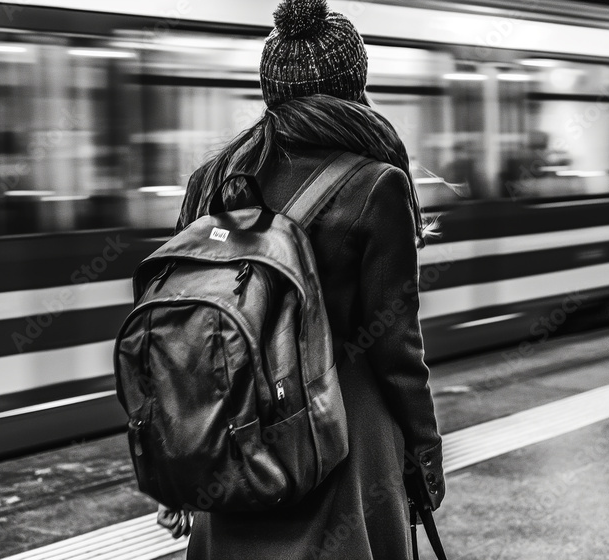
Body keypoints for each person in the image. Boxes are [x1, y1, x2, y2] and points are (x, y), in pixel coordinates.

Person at [167, 0, 445, 557]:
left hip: (240, 435)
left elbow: (187, 326)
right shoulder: (377, 184)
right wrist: (425, 454)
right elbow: (395, 347)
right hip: (343, 434)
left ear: (270, 89)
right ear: (355, 83)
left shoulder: (213, 179)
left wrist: (184, 458)